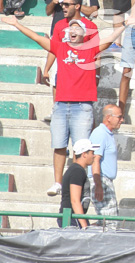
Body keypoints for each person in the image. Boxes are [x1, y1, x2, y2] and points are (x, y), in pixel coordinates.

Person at [2, 12, 121, 197]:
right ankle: (58, 182)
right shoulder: (60, 47)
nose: (72, 30)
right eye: (70, 27)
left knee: (80, 147)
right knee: (59, 145)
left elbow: (111, 38)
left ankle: (76, 182)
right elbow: (35, 37)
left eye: (77, 27)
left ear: (83, 33)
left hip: (82, 107)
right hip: (60, 105)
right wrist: (17, 24)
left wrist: (125, 24)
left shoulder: (91, 48)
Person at [89, 104, 123, 227]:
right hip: (101, 180)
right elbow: (95, 160)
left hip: (105, 181)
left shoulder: (107, 133)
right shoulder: (100, 134)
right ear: (109, 117)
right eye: (119, 117)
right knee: (109, 223)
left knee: (106, 222)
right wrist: (98, 185)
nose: (122, 120)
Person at [57, 139, 98, 229]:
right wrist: (84, 226)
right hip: (72, 218)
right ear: (84, 154)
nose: (94, 156)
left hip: (73, 217)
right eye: (92, 153)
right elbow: (75, 200)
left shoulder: (76, 169)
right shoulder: (77, 171)